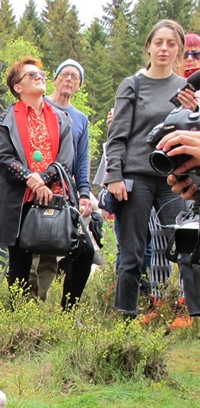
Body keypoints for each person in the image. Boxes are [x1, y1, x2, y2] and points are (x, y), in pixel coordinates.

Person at [104, 20, 198, 319]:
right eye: (159, 42)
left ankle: (188, 312)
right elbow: (117, 135)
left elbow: (193, 132)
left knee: (186, 245)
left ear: (179, 51)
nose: (164, 48)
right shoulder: (133, 84)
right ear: (148, 46)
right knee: (132, 252)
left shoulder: (185, 89)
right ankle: (126, 316)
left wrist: (193, 108)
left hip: (175, 178)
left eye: (171, 44)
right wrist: (114, 177)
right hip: (136, 177)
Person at [0, 57, 95, 309]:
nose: (40, 77)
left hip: (57, 201)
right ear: (18, 87)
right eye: (32, 75)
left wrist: (44, 178)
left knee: (84, 252)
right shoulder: (6, 118)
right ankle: (18, 320)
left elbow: (66, 159)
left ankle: (67, 313)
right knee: (20, 263)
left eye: (41, 73)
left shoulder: (62, 118)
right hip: (20, 201)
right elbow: (4, 159)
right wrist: (31, 178)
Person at [29, 59, 95, 305]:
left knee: (52, 249)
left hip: (63, 194)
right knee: (30, 248)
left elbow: (82, 161)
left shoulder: (81, 120)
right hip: (33, 187)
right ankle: (24, 305)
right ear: (54, 79)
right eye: (65, 74)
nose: (69, 79)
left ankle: (41, 303)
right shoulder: (39, 105)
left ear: (79, 86)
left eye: (75, 77)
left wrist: (85, 193)